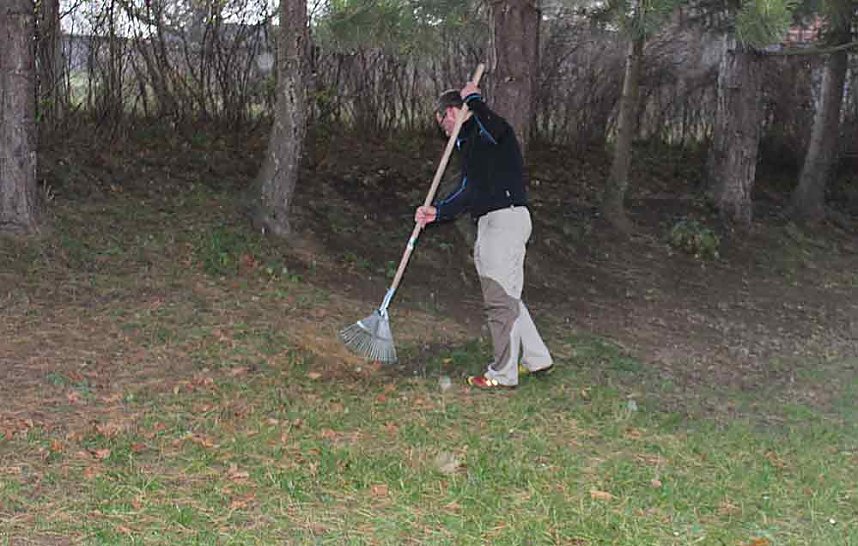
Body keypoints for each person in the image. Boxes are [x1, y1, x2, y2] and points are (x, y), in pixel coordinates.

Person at [415, 83, 553, 389]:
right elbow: (469, 190)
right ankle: (536, 357)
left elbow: (496, 130)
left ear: (451, 112)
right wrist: (439, 211)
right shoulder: (470, 144)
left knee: (499, 299)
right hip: (493, 220)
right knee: (507, 294)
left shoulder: (488, 129)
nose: (444, 131)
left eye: (443, 123)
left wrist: (475, 101)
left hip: (505, 218)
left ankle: (502, 374)